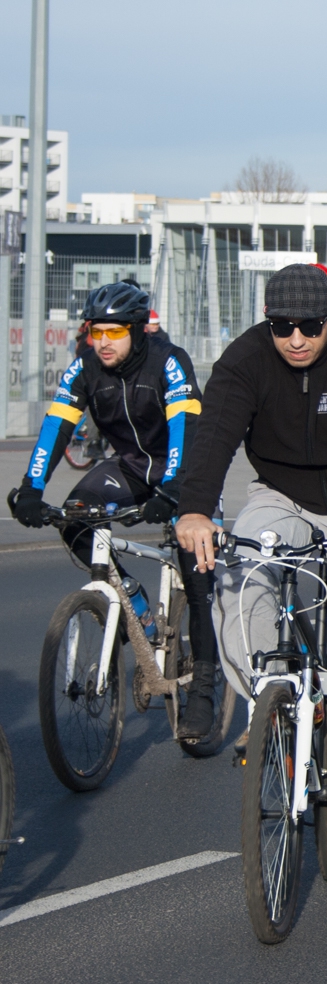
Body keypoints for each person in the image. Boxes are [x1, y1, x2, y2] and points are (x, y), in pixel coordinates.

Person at [174, 264, 327, 833]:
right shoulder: (247, 358)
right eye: (282, 326)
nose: (296, 339)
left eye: (309, 325)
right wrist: (195, 509)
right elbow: (215, 437)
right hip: (280, 497)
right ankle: (274, 709)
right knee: (238, 583)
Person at [9, 282, 217, 740]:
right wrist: (30, 487)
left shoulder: (169, 361)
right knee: (74, 518)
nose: (103, 342)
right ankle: (137, 606)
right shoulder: (84, 367)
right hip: (131, 468)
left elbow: (185, 427)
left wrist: (174, 491)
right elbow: (55, 426)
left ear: (138, 330)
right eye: (96, 331)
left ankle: (204, 688)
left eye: (115, 332)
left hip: (188, 472)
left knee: (197, 577)